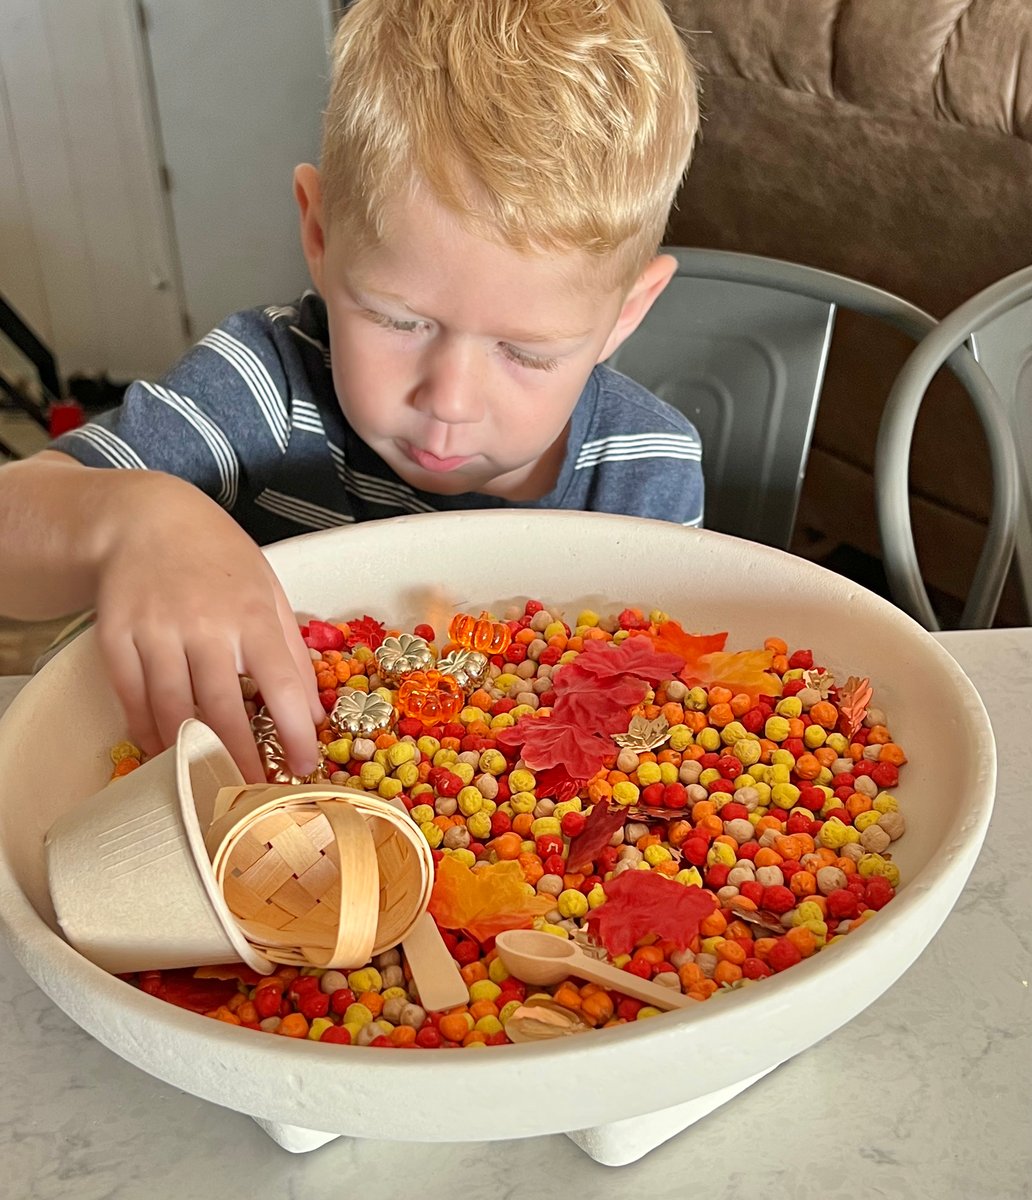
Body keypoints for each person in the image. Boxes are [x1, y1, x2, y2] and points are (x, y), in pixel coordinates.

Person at [0, 0, 702, 782]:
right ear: (320, 237)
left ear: (626, 312)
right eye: (398, 321)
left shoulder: (648, 468)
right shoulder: (258, 392)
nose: (451, 401)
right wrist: (128, 521)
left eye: (525, 353)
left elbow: (656, 718)